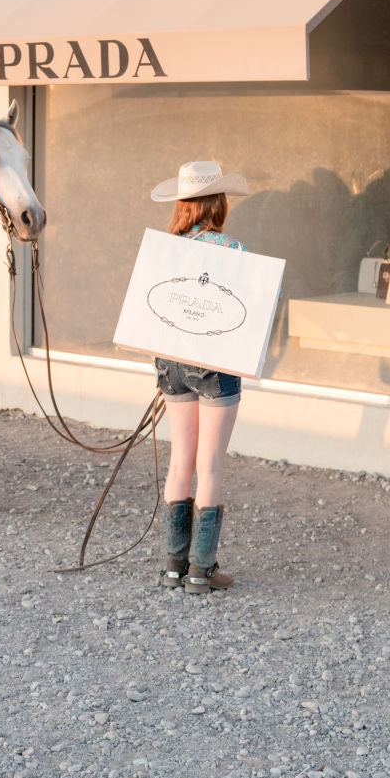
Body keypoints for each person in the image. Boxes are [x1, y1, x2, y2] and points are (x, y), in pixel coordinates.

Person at [150, 160, 250, 595]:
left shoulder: (165, 249)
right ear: (218, 202)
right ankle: (201, 572)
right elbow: (259, 303)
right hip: (215, 365)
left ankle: (173, 567)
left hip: (170, 363)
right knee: (208, 467)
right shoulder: (232, 249)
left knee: (179, 461)